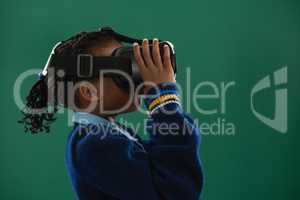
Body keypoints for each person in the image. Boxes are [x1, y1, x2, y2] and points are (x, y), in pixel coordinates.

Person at [19, 29, 203, 200]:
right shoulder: (92, 145)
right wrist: (163, 101)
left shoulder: (105, 134)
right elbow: (179, 190)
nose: (138, 74)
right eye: (126, 68)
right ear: (89, 92)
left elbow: (164, 165)